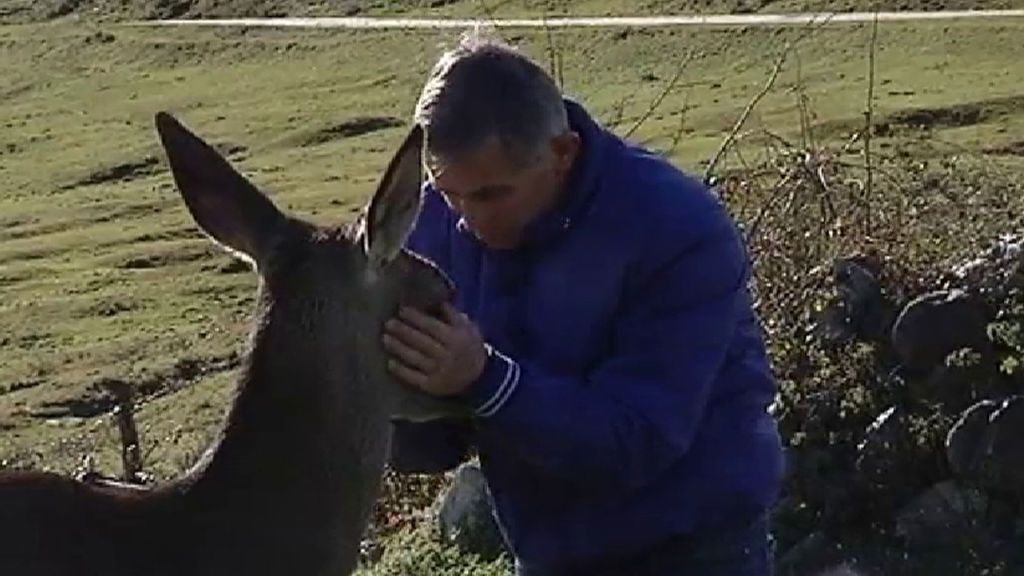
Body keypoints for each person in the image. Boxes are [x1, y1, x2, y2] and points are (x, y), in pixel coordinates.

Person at [380, 28, 785, 576]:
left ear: (562, 153)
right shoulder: (435, 221)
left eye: (491, 195)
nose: (467, 222)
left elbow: (639, 440)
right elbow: (437, 445)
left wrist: (483, 380)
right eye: (449, 194)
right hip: (549, 552)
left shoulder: (676, 229)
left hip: (692, 548)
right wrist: (387, 392)